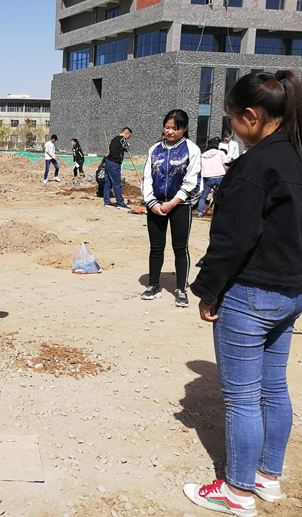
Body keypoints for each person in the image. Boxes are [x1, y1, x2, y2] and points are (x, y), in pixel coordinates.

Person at [183, 71, 302, 517]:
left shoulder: (256, 165)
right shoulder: (297, 155)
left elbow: (232, 239)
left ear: (251, 116)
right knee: (274, 387)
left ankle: (236, 492)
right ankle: (267, 476)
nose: (232, 128)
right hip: (291, 292)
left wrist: (208, 291)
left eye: (232, 119)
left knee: (243, 398)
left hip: (251, 294)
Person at [140, 110, 201, 307]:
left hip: (180, 205)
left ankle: (181, 289)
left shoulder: (191, 149)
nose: (170, 131)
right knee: (156, 247)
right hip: (155, 206)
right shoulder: (155, 149)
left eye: (175, 128)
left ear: (185, 128)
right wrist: (151, 203)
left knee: (180, 248)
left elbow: (193, 180)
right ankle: (153, 285)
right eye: (167, 127)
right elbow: (147, 178)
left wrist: (173, 202)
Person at [196, 137, 228, 218]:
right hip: (220, 177)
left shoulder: (203, 155)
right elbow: (226, 165)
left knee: (203, 197)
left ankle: (199, 213)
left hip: (208, 178)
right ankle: (218, 213)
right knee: (220, 196)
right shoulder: (221, 153)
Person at [103, 127, 132, 210]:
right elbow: (127, 147)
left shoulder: (115, 139)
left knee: (108, 183)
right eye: (129, 136)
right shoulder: (122, 139)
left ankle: (107, 201)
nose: (128, 138)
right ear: (126, 133)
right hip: (114, 163)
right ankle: (120, 203)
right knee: (117, 184)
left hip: (108, 162)